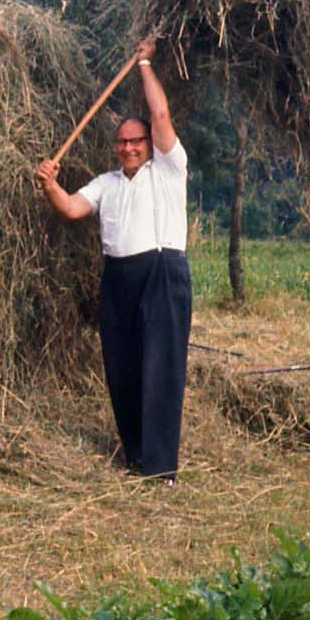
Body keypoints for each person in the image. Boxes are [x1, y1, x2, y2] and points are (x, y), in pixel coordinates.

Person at [34, 36, 191, 486]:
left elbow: (159, 114)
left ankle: (162, 469)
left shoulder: (169, 169)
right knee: (121, 365)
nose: (129, 148)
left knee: (160, 366)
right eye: (122, 143)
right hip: (118, 278)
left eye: (136, 141)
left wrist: (143, 64)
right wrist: (49, 184)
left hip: (162, 272)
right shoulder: (105, 183)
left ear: (150, 144)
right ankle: (135, 456)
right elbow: (69, 208)